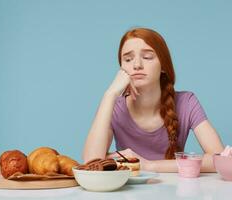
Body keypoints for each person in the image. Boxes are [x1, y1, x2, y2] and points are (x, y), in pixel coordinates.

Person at [83, 27, 224, 172]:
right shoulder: (113, 107)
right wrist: (110, 94)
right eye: (128, 59)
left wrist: (149, 165)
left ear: (163, 65)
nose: (137, 65)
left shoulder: (187, 102)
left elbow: (219, 159)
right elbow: (91, 162)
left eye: (147, 57)